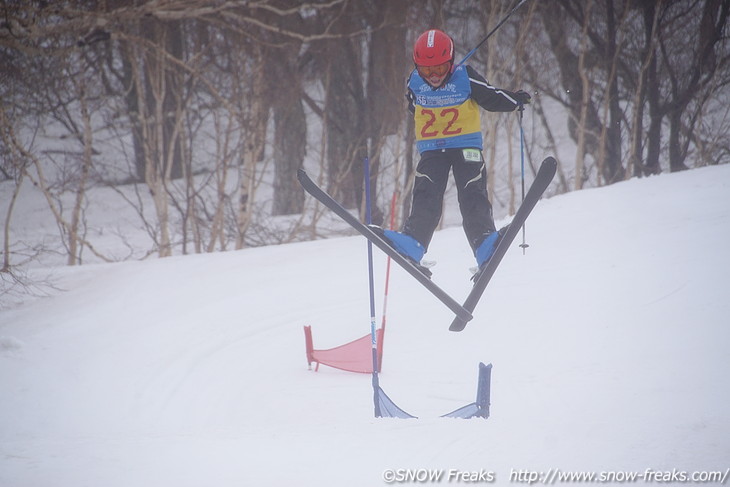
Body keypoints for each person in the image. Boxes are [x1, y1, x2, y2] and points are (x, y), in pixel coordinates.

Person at [380, 28, 531, 279]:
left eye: (440, 68)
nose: (434, 76)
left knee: (472, 194)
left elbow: (490, 96)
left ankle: (484, 245)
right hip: (432, 150)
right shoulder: (414, 81)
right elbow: (412, 105)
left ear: (451, 62)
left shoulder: (465, 77)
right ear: (416, 67)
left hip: (466, 148)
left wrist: (514, 100)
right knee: (426, 194)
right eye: (426, 70)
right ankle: (413, 243)